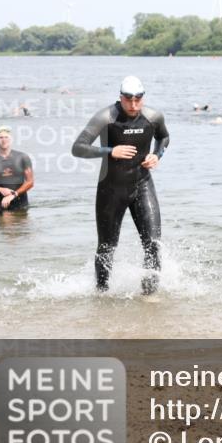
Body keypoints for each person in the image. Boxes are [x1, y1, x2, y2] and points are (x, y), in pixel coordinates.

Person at [71, 76, 170, 294]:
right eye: (128, 99)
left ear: (143, 97)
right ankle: (101, 293)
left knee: (153, 244)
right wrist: (110, 151)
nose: (133, 105)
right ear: (120, 97)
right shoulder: (105, 117)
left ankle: (149, 295)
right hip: (111, 190)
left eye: (138, 99)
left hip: (142, 185)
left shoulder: (153, 116)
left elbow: (163, 138)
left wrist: (157, 155)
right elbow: (77, 147)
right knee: (106, 248)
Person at [0, 125, 34, 212]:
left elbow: (30, 182)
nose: (4, 140)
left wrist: (14, 194)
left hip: (22, 206)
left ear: (11, 139)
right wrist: (0, 189)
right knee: (4, 225)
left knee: (21, 226)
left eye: (6, 137)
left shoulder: (23, 157)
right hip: (2, 206)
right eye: (1, 137)